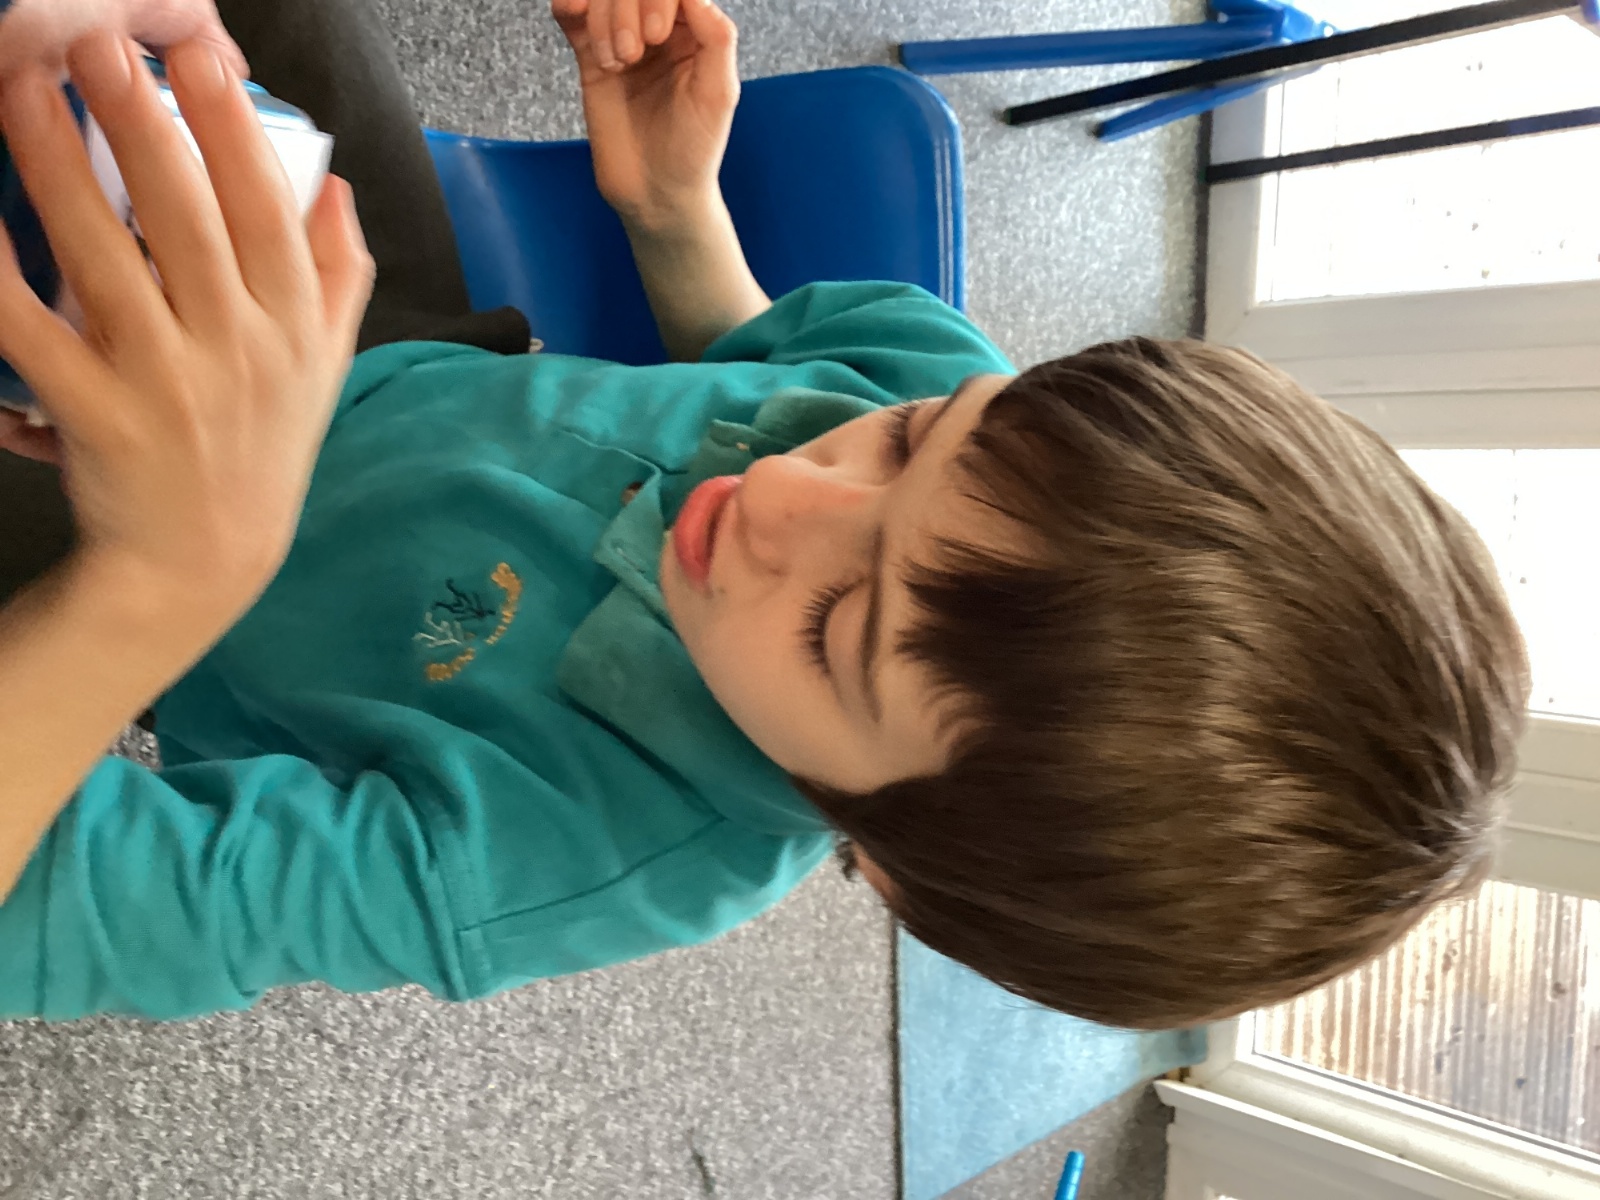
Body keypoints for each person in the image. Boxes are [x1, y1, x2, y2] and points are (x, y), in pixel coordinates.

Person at [0, 0, 1529, 1027]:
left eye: (837, 626)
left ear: (884, 860)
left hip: (116, 562)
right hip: (399, 342)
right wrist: (673, 207)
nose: (784, 490)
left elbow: (39, 905)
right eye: (906, 446)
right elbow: (774, 357)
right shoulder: (943, 388)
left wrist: (159, 579)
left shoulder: (589, 858)